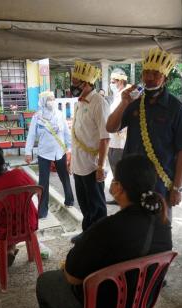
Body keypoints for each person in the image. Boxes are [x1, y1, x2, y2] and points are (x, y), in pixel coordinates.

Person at [36, 154, 172, 308]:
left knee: (45, 281)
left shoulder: (107, 228)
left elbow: (72, 277)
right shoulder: (163, 223)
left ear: (118, 188)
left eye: (114, 179)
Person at [106, 48, 182, 213]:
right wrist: (124, 102)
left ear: (165, 78)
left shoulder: (177, 109)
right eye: (146, 72)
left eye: (156, 73)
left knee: (159, 231)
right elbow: (110, 127)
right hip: (130, 182)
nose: (150, 78)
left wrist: (177, 188)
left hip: (159, 183)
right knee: (132, 228)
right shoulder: (133, 101)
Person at [69, 60, 110, 242]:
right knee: (85, 204)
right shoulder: (79, 103)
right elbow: (78, 134)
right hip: (79, 164)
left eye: (76, 82)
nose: (73, 85)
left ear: (87, 83)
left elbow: (105, 137)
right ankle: (87, 235)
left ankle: (100, 240)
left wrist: (101, 165)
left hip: (93, 165)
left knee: (97, 206)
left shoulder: (98, 103)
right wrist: (71, 159)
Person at [25, 91, 74, 219]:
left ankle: (69, 200)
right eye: (49, 99)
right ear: (42, 101)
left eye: (53, 99)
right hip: (44, 153)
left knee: (64, 177)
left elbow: (67, 133)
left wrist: (69, 149)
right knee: (43, 182)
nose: (51, 101)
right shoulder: (37, 117)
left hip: (60, 152)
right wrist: (28, 152)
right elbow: (31, 135)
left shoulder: (59, 114)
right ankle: (42, 211)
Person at [106, 68, 129, 205]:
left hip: (121, 142)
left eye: (113, 81)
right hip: (112, 142)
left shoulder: (125, 97)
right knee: (115, 172)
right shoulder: (117, 96)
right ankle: (118, 196)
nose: (111, 84)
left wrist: (121, 129)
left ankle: (124, 198)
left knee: (121, 173)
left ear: (120, 81)